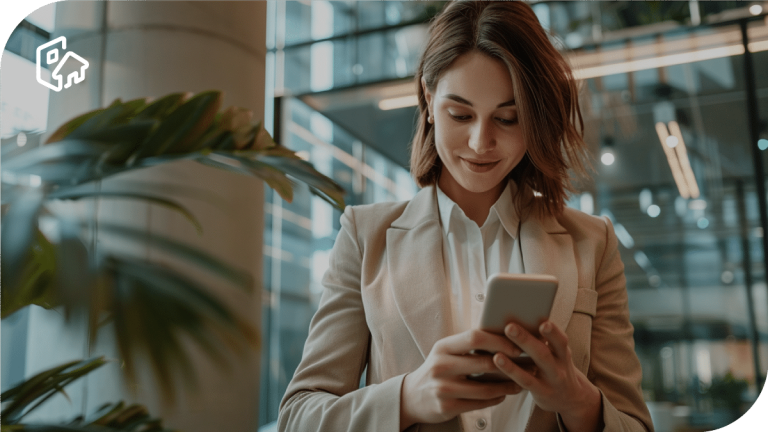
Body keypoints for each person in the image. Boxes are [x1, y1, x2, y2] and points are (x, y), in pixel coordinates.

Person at [278, 1, 653, 431]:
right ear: (427, 95)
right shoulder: (366, 237)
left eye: (508, 119)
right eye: (460, 114)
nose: (481, 142)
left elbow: (635, 424)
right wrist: (407, 398)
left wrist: (578, 400)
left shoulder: (593, 242)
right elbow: (297, 418)